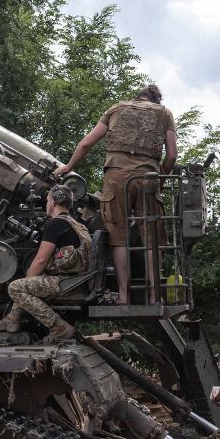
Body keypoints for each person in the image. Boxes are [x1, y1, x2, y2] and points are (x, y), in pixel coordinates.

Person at [53, 84, 177, 305]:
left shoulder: (115, 109)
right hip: (147, 178)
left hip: (116, 177)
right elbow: (172, 156)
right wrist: (161, 180)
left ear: (136, 97)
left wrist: (68, 165)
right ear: (156, 100)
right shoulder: (164, 113)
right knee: (151, 241)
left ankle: (123, 296)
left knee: (118, 240)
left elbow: (86, 143)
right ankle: (153, 297)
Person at [0, 184, 91, 343]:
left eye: (48, 199)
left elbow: (41, 260)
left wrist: (28, 278)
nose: (46, 203)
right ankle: (12, 318)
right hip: (79, 280)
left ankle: (59, 327)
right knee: (27, 284)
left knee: (16, 287)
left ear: (54, 202)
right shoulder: (77, 225)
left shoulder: (56, 224)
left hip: (67, 284)